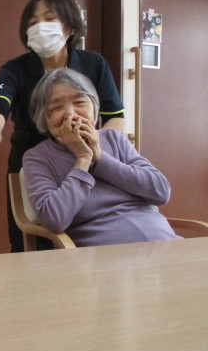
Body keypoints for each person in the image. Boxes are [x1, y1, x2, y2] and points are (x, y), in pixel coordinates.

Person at [0, 0, 125, 252]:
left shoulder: (94, 64)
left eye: (49, 19)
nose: (39, 27)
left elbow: (115, 116)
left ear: (70, 27)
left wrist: (97, 150)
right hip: (34, 163)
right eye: (32, 22)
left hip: (85, 159)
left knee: (89, 232)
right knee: (29, 240)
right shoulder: (15, 69)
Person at [23, 68, 180, 246]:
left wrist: (101, 158)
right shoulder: (38, 158)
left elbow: (160, 191)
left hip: (165, 244)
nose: (71, 114)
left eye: (80, 102)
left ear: (94, 109)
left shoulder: (114, 139)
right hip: (107, 256)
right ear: (44, 117)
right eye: (57, 107)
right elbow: (54, 219)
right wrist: (83, 159)